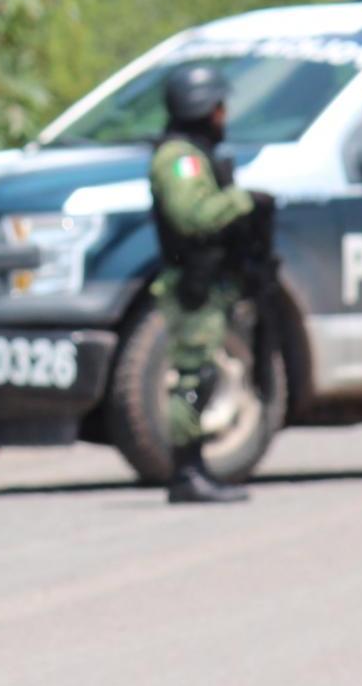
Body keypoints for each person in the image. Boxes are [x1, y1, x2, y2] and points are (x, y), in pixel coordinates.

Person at [149, 64, 272, 505]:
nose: (224, 114)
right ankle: (186, 472)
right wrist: (242, 201)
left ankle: (195, 468)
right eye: (219, 105)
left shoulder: (195, 153)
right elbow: (193, 216)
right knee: (193, 375)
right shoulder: (180, 158)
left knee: (201, 372)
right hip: (192, 284)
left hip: (208, 280)